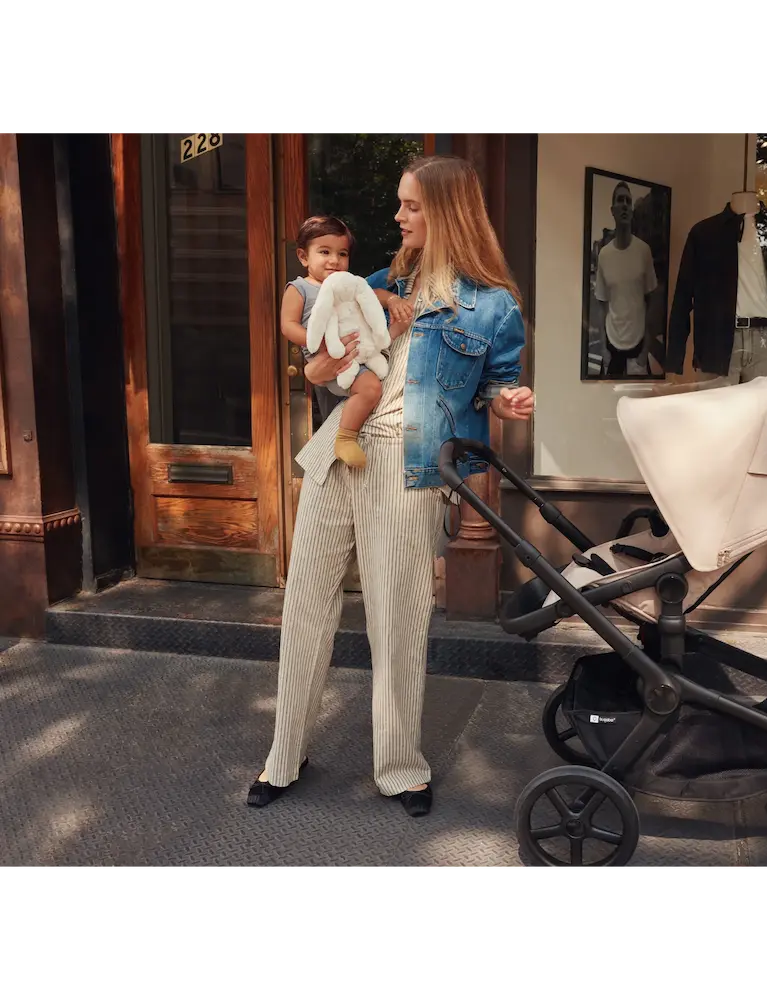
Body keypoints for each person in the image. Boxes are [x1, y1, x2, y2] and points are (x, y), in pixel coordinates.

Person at [248, 155, 534, 818]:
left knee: (398, 620)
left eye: (412, 205)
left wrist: (511, 401)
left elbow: (497, 389)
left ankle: (401, 767)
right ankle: (283, 756)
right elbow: (317, 370)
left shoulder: (494, 308)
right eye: (401, 203)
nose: (399, 216)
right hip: (338, 454)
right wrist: (331, 357)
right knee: (305, 609)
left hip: (410, 468)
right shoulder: (378, 282)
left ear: (448, 212)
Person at [280, 215, 413, 444]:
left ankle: (350, 438)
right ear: (303, 257)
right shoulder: (300, 288)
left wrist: (392, 300)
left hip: (357, 353)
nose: (334, 260)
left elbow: (372, 294)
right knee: (365, 391)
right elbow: (288, 325)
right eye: (324, 252)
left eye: (342, 254)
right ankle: (345, 439)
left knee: (365, 391)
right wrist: (320, 341)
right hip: (328, 358)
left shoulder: (348, 283)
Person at [594, 181, 658, 376]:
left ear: (631, 210)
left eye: (628, 201)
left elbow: (651, 302)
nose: (624, 205)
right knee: (605, 395)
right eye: (620, 200)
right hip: (612, 344)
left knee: (640, 397)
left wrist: (646, 349)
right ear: (612, 210)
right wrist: (603, 347)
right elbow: (602, 305)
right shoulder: (604, 255)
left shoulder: (643, 251)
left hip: (638, 345)